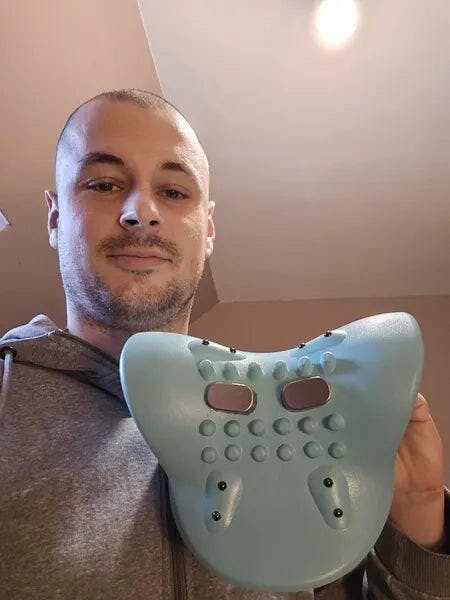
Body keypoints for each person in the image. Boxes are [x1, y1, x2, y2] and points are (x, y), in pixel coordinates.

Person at [0, 88, 448, 600]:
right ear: (55, 216)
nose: (141, 211)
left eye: (174, 192)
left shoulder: (311, 434)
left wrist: (418, 513)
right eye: (104, 184)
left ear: (207, 228)